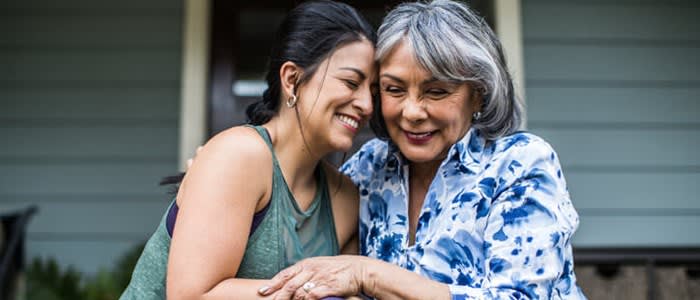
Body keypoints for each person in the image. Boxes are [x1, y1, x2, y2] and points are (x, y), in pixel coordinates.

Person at [257, 0, 586, 299]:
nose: (412, 112)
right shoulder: (367, 168)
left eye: (437, 91)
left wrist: (367, 274)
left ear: (479, 94)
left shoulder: (519, 163)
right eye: (394, 89)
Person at [119, 1, 376, 298]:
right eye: (350, 82)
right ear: (292, 80)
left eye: (372, 91)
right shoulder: (240, 156)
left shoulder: (344, 200)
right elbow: (191, 295)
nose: (367, 105)